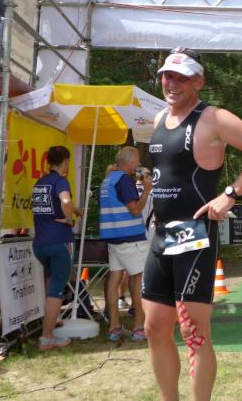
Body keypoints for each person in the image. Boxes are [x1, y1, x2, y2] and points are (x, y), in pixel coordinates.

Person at [142, 47, 242, 401]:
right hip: (161, 233)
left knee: (194, 332)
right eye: (167, 76)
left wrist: (231, 194)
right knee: (154, 328)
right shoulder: (158, 119)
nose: (171, 83)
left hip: (193, 233)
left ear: (198, 82)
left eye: (181, 77)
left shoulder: (213, 117)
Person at [31, 145, 83, 350]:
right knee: (56, 288)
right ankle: (47, 337)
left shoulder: (40, 182)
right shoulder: (61, 181)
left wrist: (72, 209)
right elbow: (65, 200)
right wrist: (69, 218)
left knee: (51, 279)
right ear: (65, 162)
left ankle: (55, 318)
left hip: (40, 242)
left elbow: (50, 206)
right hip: (60, 241)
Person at [99, 146, 151, 342]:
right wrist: (146, 190)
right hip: (130, 237)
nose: (139, 165)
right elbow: (135, 209)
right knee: (137, 280)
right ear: (129, 163)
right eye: (137, 161)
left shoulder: (107, 180)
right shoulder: (124, 180)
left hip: (113, 237)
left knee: (114, 279)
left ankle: (114, 326)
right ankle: (139, 327)